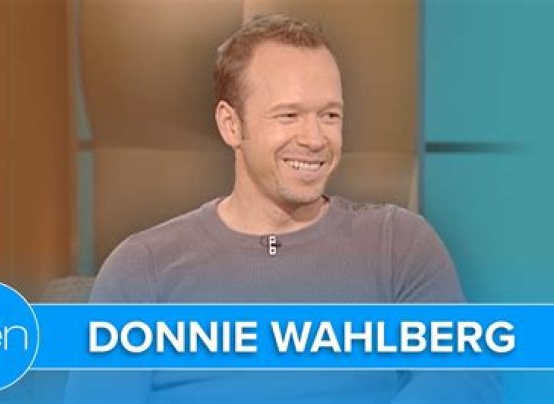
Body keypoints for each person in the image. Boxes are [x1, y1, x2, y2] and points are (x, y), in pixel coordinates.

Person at [66, 14, 500, 403]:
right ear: (231, 125)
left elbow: (466, 381)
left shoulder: (397, 243)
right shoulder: (144, 267)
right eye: (289, 116)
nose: (314, 139)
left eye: (329, 116)